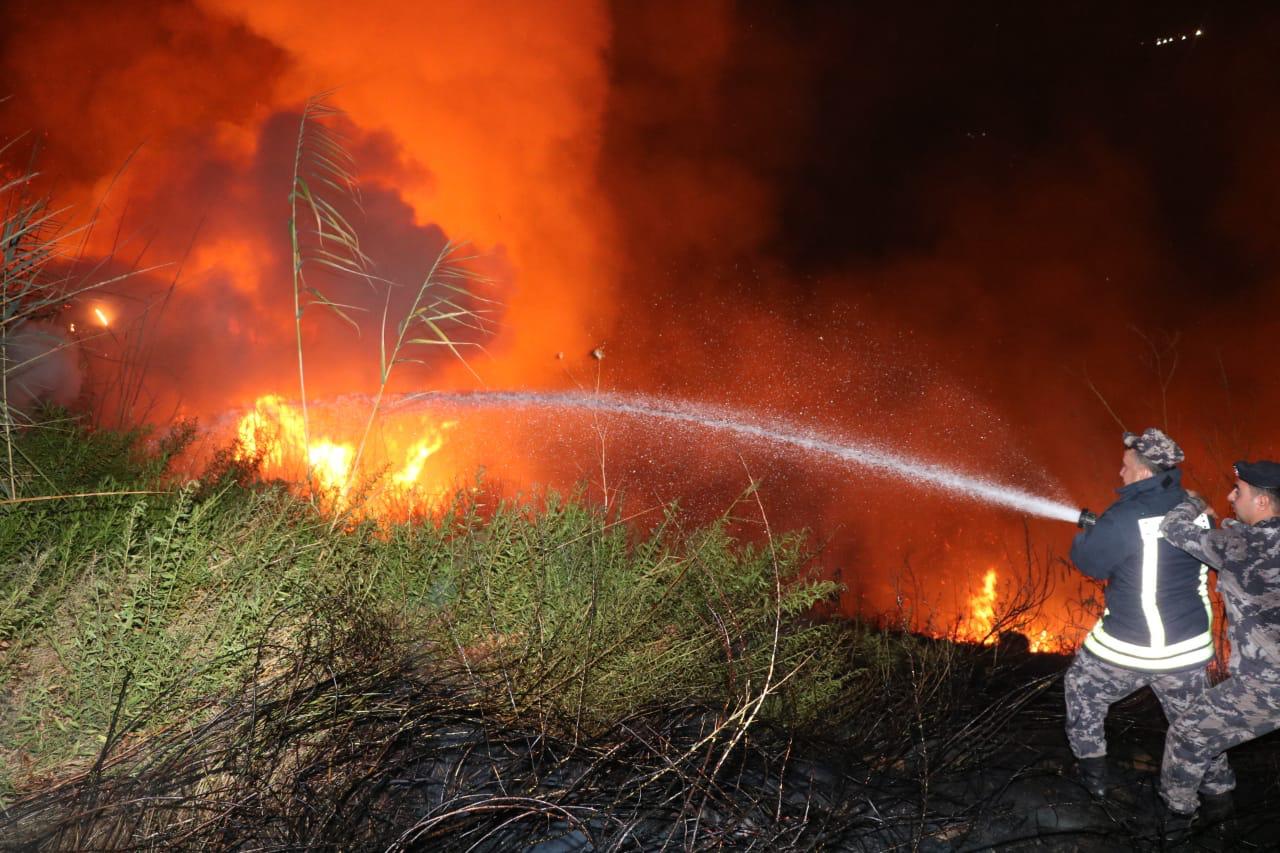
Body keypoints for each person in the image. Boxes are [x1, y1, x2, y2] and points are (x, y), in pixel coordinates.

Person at [1064, 428, 1228, 800]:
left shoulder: (1127, 515)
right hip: (1187, 648)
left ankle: (1093, 778)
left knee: (1082, 689)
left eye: (1126, 467)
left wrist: (1088, 534)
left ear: (1143, 473)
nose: (1120, 474)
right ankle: (1221, 796)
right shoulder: (1197, 510)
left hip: (1133, 646)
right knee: (1197, 726)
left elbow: (1089, 561)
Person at [1158, 460, 1280, 822]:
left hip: (1267, 687)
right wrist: (1224, 523)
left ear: (1261, 502)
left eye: (1238, 491)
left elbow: (1173, 528)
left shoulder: (1238, 545)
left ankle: (1176, 826)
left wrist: (1193, 502)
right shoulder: (1247, 541)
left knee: (1186, 734)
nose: (1229, 496)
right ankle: (1221, 818)